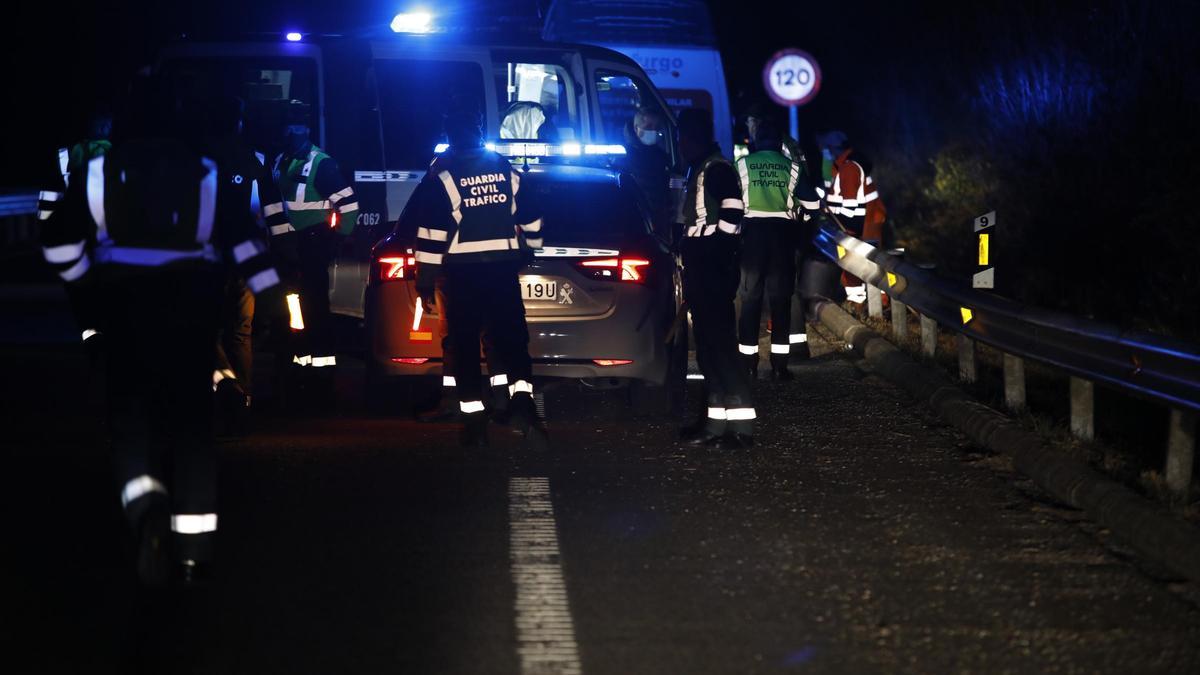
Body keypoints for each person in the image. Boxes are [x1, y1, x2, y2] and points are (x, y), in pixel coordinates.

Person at [41, 77, 282, 587]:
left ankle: (147, 508)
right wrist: (272, 304)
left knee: (131, 421)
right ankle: (194, 553)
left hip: (123, 310)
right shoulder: (206, 172)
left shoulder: (97, 172)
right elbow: (246, 246)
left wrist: (86, 292)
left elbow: (58, 244)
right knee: (193, 430)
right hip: (191, 313)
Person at [410, 104, 547, 448]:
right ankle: (524, 407)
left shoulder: (442, 174)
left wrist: (425, 279)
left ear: (450, 136)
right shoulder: (503, 167)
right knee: (514, 341)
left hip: (462, 276)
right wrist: (531, 247)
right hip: (502, 270)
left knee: (465, 346)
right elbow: (531, 215)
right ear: (479, 131)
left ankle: (474, 423)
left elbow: (430, 231)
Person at [200, 95, 293, 421]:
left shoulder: (197, 158)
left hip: (206, 256)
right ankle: (244, 399)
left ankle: (224, 391)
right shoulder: (256, 160)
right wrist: (282, 258)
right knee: (243, 330)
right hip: (251, 254)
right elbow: (274, 215)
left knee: (204, 331)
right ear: (239, 122)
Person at [675, 108, 757, 449]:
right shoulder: (700, 167)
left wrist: (717, 248)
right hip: (701, 266)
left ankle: (741, 430)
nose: (680, 146)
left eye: (683, 139)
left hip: (712, 267)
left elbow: (733, 208)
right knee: (708, 349)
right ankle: (714, 424)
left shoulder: (716, 168)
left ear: (693, 139)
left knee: (721, 347)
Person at [272, 100, 359, 404]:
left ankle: (321, 379)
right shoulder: (281, 160)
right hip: (286, 247)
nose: (292, 132)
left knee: (315, 311)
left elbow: (349, 207)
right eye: (288, 125)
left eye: (297, 126)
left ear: (307, 128)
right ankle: (298, 372)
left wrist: (337, 241)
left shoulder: (321, 163)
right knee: (291, 312)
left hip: (312, 245)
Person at [734, 117, 820, 381]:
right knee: (780, 301)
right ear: (779, 143)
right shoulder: (792, 167)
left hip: (751, 238)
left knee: (749, 301)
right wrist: (801, 219)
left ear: (755, 142)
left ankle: (748, 363)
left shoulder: (742, 165)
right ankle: (779, 366)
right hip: (782, 238)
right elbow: (813, 206)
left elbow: (730, 200)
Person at [38, 105, 112, 353]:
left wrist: (48, 230)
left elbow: (49, 198)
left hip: (75, 232)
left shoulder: (64, 155)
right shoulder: (121, 153)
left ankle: (91, 337)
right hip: (110, 235)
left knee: (81, 291)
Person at [816, 130, 888, 306]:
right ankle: (859, 304)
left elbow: (850, 208)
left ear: (835, 148)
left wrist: (839, 224)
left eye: (827, 149)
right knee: (857, 268)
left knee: (868, 268)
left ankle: (877, 305)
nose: (825, 152)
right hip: (862, 224)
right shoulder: (843, 167)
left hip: (863, 227)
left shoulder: (849, 169)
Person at [618, 105, 672, 231]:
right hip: (636, 218)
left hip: (659, 217)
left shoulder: (660, 155)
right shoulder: (625, 156)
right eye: (649, 127)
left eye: (656, 128)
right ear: (636, 129)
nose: (653, 131)